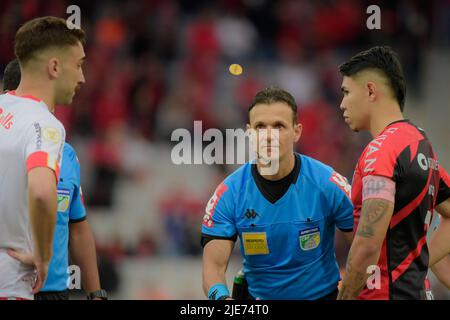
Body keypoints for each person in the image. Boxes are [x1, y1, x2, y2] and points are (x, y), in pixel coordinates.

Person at [201, 86, 354, 300]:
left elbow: (366, 247)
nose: (269, 136)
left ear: (297, 132)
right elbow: (212, 269)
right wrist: (222, 300)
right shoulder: (229, 193)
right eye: (260, 127)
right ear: (249, 133)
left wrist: (350, 294)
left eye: (279, 126)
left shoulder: (328, 184)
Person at [337, 46, 450, 300]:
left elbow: (367, 244)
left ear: (370, 90)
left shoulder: (382, 149)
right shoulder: (419, 145)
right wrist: (420, 262)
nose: (342, 104)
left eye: (346, 92)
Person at [2, 60, 107, 300]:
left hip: (55, 292)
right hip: (11, 285)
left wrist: (96, 294)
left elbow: (78, 227)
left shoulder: (65, 154)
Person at [0, 16, 85, 300]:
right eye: (79, 65)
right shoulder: (44, 125)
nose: (82, 78)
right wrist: (43, 257)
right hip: (10, 284)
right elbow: (40, 192)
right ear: (55, 67)